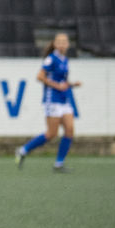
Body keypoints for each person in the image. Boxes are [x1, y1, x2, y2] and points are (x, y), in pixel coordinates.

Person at [16, 33, 81, 173]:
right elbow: (40, 77)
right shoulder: (50, 59)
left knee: (70, 130)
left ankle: (59, 163)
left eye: (65, 41)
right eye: (60, 42)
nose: (63, 44)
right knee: (51, 134)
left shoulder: (65, 60)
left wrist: (72, 84)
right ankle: (23, 150)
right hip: (52, 100)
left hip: (64, 99)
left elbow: (62, 81)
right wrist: (57, 86)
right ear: (55, 44)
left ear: (68, 44)